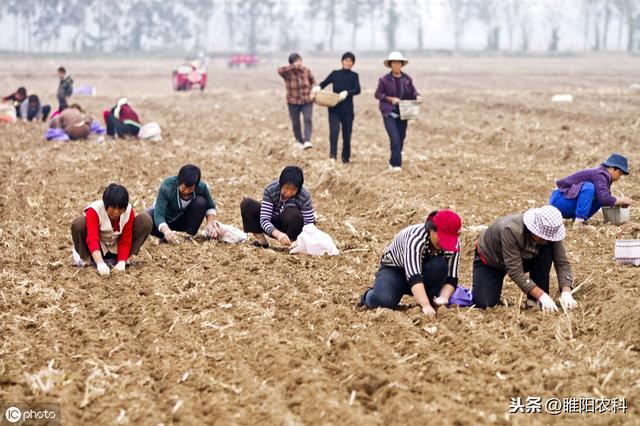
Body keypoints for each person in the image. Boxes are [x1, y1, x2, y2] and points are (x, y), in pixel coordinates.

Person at [472, 206, 578, 312]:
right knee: (484, 304)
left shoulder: (551, 233)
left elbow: (562, 262)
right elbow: (515, 270)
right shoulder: (511, 229)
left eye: (548, 238)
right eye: (542, 237)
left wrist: (566, 292)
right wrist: (542, 295)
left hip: (525, 257)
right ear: (533, 229)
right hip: (492, 261)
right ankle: (539, 297)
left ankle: (534, 302)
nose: (546, 240)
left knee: (547, 250)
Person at [359, 210, 462, 317]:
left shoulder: (454, 244)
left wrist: (444, 296)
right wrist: (425, 305)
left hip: (425, 271)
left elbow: (452, 278)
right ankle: (369, 296)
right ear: (431, 230)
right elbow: (414, 277)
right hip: (396, 271)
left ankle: (428, 298)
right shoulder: (415, 238)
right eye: (443, 238)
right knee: (383, 301)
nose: (445, 244)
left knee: (439, 265)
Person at [71, 183, 153, 277]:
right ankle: (87, 261)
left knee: (145, 220)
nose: (116, 212)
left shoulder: (128, 212)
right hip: (97, 249)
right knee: (79, 224)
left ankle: (123, 260)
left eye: (120, 208)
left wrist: (121, 261)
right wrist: (100, 263)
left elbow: (125, 239)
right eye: (113, 207)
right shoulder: (94, 210)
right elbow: (92, 238)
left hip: (116, 247)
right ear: (106, 204)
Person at [550, 154, 633, 229]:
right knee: (589, 187)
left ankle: (578, 219)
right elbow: (604, 198)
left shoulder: (603, 175)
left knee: (600, 197)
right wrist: (621, 200)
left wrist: (618, 203)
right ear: (612, 168)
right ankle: (579, 222)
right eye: (619, 173)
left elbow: (605, 199)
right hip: (559, 200)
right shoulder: (600, 174)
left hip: (564, 203)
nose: (619, 177)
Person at [240, 166, 315, 248]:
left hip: (291, 225)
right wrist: (278, 234)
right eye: (286, 188)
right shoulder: (271, 190)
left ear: (299, 188)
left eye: (293, 190)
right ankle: (261, 242)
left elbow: (309, 224)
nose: (288, 192)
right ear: (281, 184)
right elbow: (264, 219)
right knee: (247, 204)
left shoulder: (304, 196)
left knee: (294, 214)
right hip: (272, 222)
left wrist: (300, 240)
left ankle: (293, 244)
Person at [374, 51, 422, 171]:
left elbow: (413, 91)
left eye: (398, 63)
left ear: (401, 64)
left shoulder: (407, 79)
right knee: (394, 137)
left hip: (403, 112)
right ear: (390, 65)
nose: (396, 65)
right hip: (389, 112)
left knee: (401, 138)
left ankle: (392, 161)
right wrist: (390, 99)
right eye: (394, 63)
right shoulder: (384, 79)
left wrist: (418, 96)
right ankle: (397, 165)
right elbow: (378, 94)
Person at [147, 164, 219, 243]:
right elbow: (159, 214)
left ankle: (188, 237)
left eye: (190, 188)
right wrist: (166, 231)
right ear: (179, 181)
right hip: (166, 220)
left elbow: (210, 207)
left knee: (201, 202)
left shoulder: (202, 187)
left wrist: (209, 225)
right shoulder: (167, 187)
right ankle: (166, 237)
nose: (186, 191)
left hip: (184, 221)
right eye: (184, 187)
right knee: (148, 217)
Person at [313, 52, 361, 163]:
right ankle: (332, 156)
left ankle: (345, 158)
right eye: (346, 60)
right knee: (334, 132)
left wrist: (347, 93)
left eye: (350, 61)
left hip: (348, 110)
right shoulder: (335, 74)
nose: (348, 63)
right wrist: (318, 87)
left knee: (347, 134)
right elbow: (324, 82)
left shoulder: (354, 76)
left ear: (353, 63)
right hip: (334, 107)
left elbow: (357, 90)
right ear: (342, 61)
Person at [278, 53, 316, 150]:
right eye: (296, 61)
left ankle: (307, 140)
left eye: (300, 60)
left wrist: (314, 91)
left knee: (308, 119)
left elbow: (313, 82)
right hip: (293, 101)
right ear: (291, 63)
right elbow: (279, 71)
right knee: (295, 122)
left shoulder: (306, 71)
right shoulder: (287, 73)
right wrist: (292, 67)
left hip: (307, 100)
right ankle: (299, 141)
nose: (299, 63)